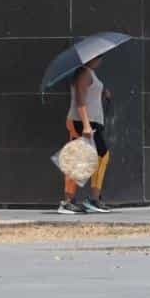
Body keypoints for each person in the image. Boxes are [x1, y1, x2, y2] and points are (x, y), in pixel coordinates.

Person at [58, 56, 112, 214]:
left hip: (88, 122)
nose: (101, 59)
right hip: (83, 122)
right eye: (98, 56)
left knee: (92, 157)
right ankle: (76, 201)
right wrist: (86, 125)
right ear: (90, 58)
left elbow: (89, 96)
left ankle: (85, 199)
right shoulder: (83, 73)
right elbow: (79, 100)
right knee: (92, 156)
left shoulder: (89, 73)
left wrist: (103, 93)